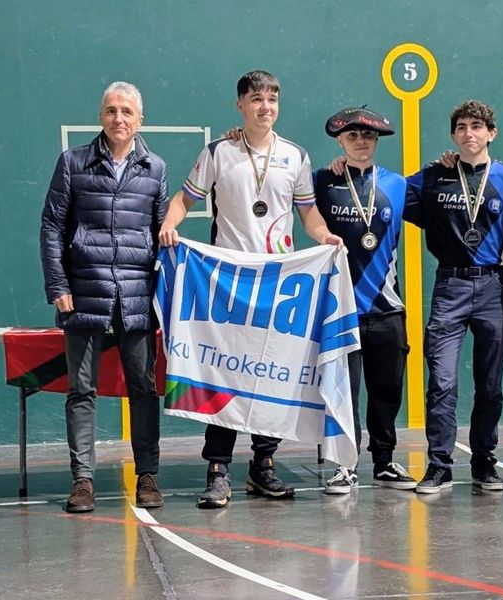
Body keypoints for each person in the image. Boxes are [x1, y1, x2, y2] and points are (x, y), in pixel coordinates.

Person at [159, 70, 342, 508]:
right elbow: (185, 200)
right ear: (240, 105)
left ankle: (263, 466)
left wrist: (325, 237)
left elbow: (309, 215)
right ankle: (218, 469)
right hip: (227, 282)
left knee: (270, 374)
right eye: (256, 99)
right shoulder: (218, 152)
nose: (266, 106)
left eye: (272, 99)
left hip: (277, 283)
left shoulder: (295, 157)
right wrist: (168, 224)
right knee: (225, 370)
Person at [40, 81, 168, 513]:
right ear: (101, 116)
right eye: (112, 110)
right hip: (83, 293)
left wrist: (164, 297)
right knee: (81, 390)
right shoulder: (72, 162)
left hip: (136, 296)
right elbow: (52, 229)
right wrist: (58, 286)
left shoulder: (155, 168)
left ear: (140, 120)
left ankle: (147, 476)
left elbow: (161, 234)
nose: (119, 119)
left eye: (127, 112)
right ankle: (83, 482)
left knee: (144, 389)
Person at [404, 100, 503, 494]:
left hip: (493, 288)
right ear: (454, 135)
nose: (469, 133)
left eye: (477, 126)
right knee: (443, 381)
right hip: (449, 286)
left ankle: (484, 462)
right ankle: (438, 466)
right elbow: (381, 189)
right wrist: (337, 172)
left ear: (491, 133)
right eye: (462, 127)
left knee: (490, 385)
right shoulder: (434, 176)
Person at [314, 107, 416, 495]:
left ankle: (385, 461)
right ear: (340, 141)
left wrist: (451, 162)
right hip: (341, 311)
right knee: (344, 394)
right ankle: (345, 466)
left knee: (387, 390)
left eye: (368, 136)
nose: (361, 141)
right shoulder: (323, 181)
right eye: (353, 136)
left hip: (387, 308)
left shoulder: (398, 184)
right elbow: (277, 188)